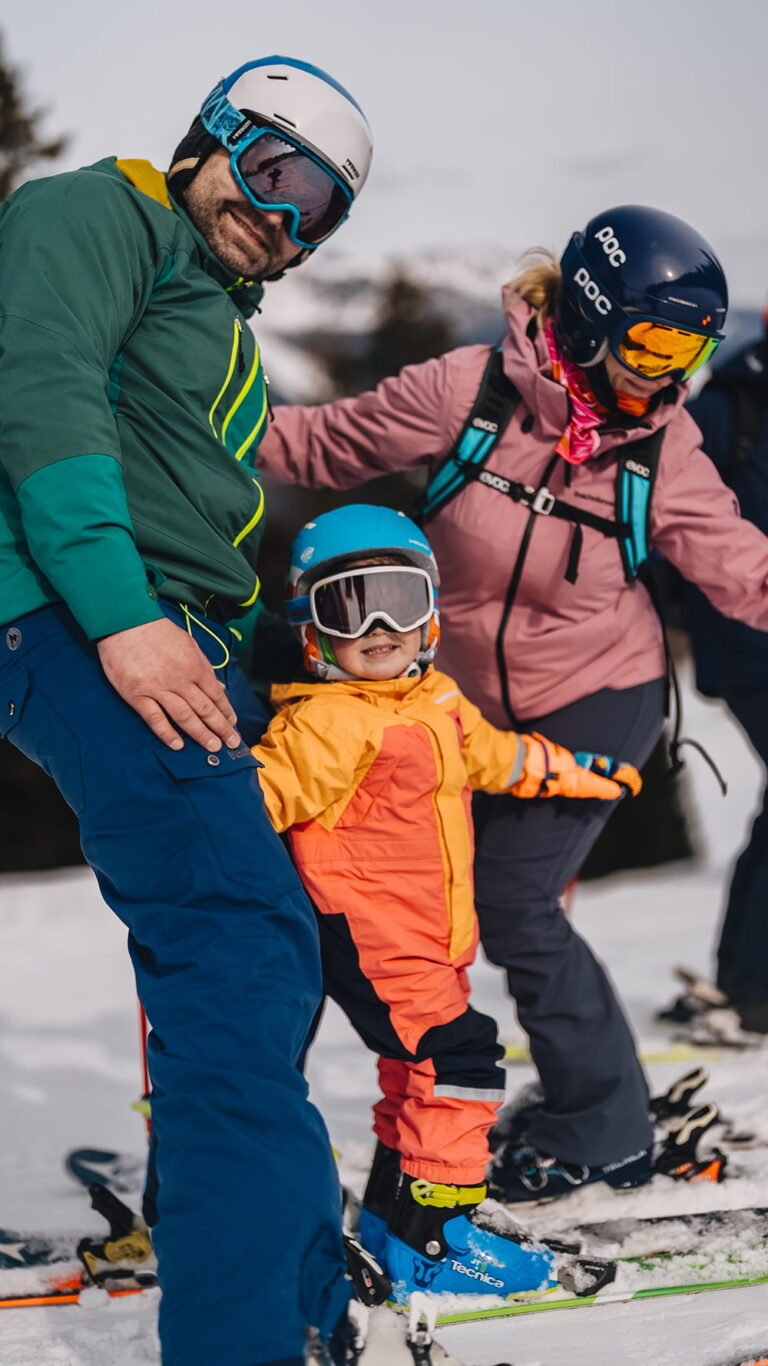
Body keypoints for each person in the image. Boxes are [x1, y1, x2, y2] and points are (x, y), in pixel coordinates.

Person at [256, 204, 768, 1202]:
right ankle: (401, 1114)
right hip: (450, 703)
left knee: (515, 902)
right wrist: (174, 421)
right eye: (653, 343)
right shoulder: (468, 392)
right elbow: (313, 446)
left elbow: (743, 568)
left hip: (597, 691)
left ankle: (605, 1130)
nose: (667, 375)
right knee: (394, 910)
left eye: (690, 352)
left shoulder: (662, 450)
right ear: (588, 315)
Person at [0, 56, 374, 1366]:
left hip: (171, 631)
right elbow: (42, 393)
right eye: (276, 175)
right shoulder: (96, 210)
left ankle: (284, 1282)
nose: (284, 220)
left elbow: (198, 509)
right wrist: (121, 615)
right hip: (79, 614)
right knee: (235, 946)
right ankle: (246, 1334)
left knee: (269, 945)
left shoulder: (213, 310)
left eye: (319, 211)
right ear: (212, 134)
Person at [251, 503, 641, 1299]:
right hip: (373, 937)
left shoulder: (437, 701)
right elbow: (259, 802)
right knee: (459, 1060)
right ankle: (438, 1233)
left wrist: (577, 772)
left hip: (429, 938)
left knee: (415, 1068)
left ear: (431, 612)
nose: (380, 627)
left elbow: (498, 756)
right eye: (350, 606)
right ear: (311, 630)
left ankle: (396, 1216)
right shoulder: (327, 724)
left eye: (400, 599)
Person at [667, 314, 768, 1041]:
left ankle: (743, 978)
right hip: (746, 646)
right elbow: (660, 512)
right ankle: (750, 987)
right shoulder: (731, 407)